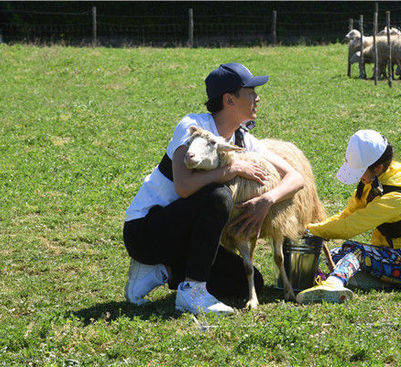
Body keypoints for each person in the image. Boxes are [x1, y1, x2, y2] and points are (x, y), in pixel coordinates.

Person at [123, 63, 305, 315]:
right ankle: (192, 291)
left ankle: (163, 270)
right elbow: (184, 187)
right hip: (147, 231)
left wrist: (266, 201)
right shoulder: (193, 128)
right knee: (219, 196)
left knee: (247, 284)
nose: (257, 97)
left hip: (187, 237)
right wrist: (229, 171)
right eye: (250, 92)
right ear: (229, 99)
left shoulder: (243, 140)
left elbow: (296, 177)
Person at [296, 130, 401, 304]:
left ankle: (333, 284)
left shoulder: (395, 198)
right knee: (336, 255)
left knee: (355, 251)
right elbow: (347, 215)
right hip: (395, 259)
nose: (360, 177)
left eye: (361, 171)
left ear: (378, 168)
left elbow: (351, 226)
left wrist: (310, 229)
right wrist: (314, 227)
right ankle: (376, 284)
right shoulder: (372, 184)